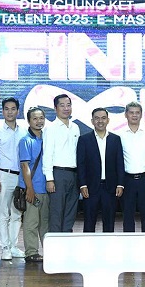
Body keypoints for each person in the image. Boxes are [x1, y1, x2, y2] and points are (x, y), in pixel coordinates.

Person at [0, 97, 27, 261]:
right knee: (3, 213)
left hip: (22, 176)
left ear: (18, 111)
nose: (10, 112)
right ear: (2, 111)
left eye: (13, 109)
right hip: (4, 175)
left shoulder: (24, 131)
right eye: (6, 109)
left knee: (17, 213)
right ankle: (4, 248)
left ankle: (13, 246)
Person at [76, 107, 125, 233]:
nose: (100, 121)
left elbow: (119, 163)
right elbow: (81, 164)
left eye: (103, 118)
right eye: (97, 118)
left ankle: (108, 246)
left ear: (108, 120)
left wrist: (120, 184)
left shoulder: (115, 139)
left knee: (109, 224)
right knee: (89, 223)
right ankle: (88, 245)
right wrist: (82, 185)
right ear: (92, 121)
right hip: (90, 188)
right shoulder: (84, 139)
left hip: (110, 188)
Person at [43, 93, 81, 233]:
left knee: (71, 211)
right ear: (55, 108)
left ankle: (67, 241)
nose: (66, 108)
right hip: (58, 174)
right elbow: (47, 154)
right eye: (62, 105)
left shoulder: (75, 127)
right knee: (56, 212)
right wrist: (49, 179)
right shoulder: (51, 128)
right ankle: (55, 242)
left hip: (74, 174)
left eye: (68, 105)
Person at [119, 101, 145, 233]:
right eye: (131, 112)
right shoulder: (119, 135)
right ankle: (129, 243)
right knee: (127, 215)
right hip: (127, 180)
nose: (134, 115)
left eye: (137, 113)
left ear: (141, 115)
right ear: (126, 114)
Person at [19, 107, 48, 263]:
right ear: (29, 121)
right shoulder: (25, 140)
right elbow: (25, 166)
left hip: (47, 188)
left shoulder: (48, 138)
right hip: (33, 188)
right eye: (35, 118)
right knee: (31, 222)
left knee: (45, 224)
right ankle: (31, 252)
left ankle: (48, 251)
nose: (39, 121)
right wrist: (29, 189)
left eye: (41, 118)